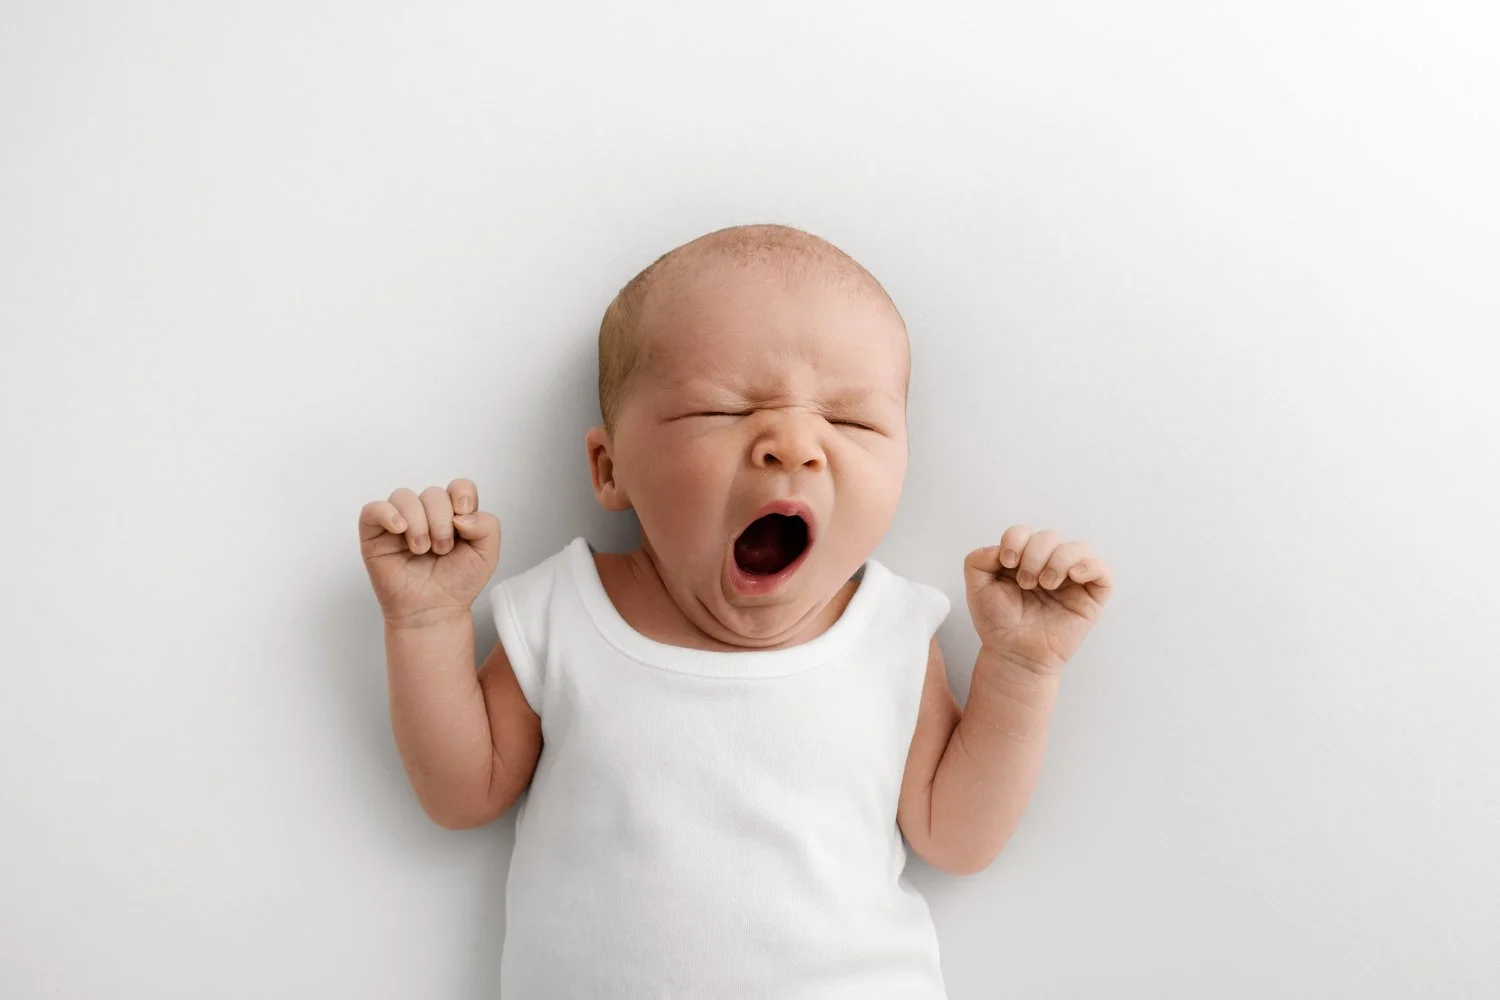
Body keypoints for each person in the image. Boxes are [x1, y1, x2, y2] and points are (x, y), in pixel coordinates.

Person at [357, 223, 1114, 998]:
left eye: (850, 422)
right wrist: (425, 623)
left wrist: (1021, 668)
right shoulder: (565, 614)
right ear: (610, 467)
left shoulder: (887, 635)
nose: (792, 445)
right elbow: (459, 794)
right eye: (722, 412)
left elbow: (955, 838)